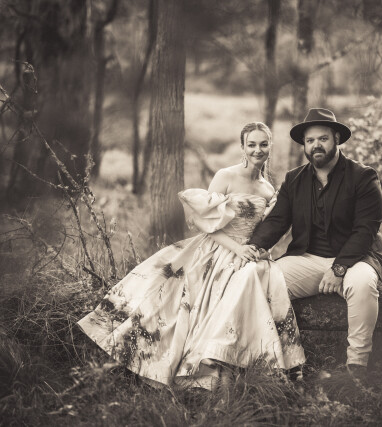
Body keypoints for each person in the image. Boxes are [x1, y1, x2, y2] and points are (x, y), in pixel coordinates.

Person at [78, 122, 305, 389]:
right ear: (243, 147)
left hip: (248, 254)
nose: (258, 150)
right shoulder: (226, 176)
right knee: (173, 308)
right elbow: (204, 223)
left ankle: (246, 364)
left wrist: (259, 250)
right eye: (251, 144)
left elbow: (268, 229)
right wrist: (237, 249)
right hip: (218, 249)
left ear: (270, 146)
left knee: (254, 289)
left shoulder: (268, 188)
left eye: (263, 144)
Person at [248, 108, 382, 384]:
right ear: (304, 145)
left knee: (362, 284)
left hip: (358, 258)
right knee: (264, 280)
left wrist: (339, 269)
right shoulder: (294, 179)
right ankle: (280, 363)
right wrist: (252, 248)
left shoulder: (363, 177)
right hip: (309, 258)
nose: (316, 146)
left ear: (336, 138)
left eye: (322, 139)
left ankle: (356, 368)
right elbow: (277, 221)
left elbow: (365, 230)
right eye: (310, 140)